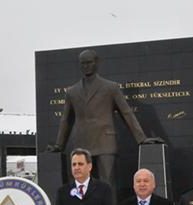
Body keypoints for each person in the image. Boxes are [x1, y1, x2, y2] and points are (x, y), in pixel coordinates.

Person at [51, 49, 157, 191]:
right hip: (82, 142)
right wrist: (59, 145)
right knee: (83, 185)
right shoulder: (72, 91)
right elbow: (66, 120)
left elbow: (126, 113)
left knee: (108, 184)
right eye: (83, 63)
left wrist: (141, 139)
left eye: (89, 62)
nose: (86, 66)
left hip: (105, 142)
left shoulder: (110, 87)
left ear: (97, 63)